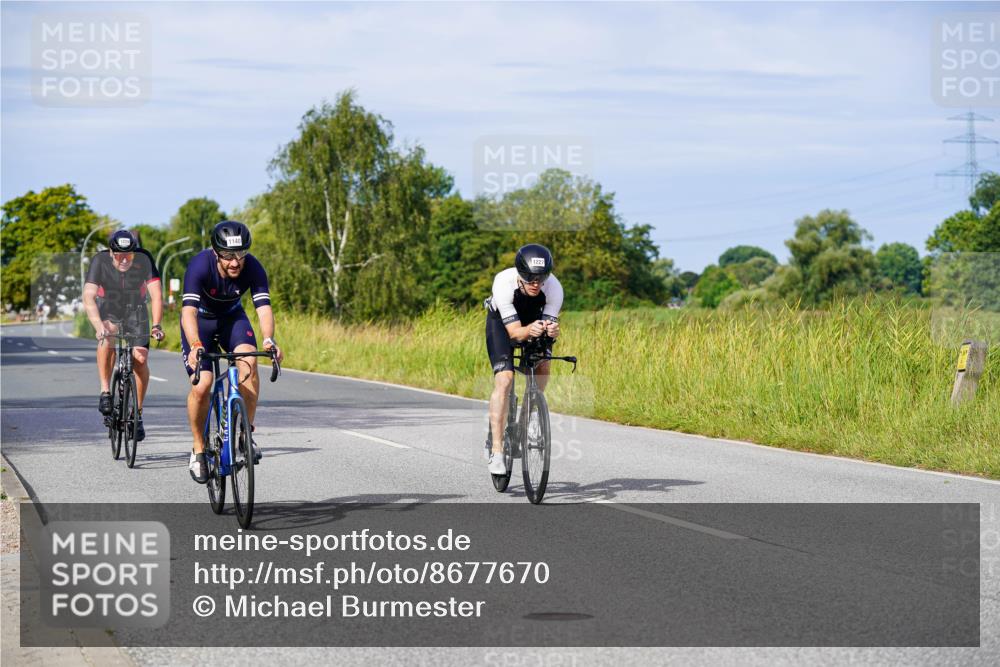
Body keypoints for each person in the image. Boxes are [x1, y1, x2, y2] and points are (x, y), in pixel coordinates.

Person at [180, 220, 283, 483]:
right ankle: (198, 449)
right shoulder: (199, 265)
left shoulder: (254, 268)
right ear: (216, 253)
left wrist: (269, 339)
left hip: (231, 318)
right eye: (227, 256)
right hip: (200, 323)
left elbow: (263, 308)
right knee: (203, 384)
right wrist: (195, 345)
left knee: (249, 361)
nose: (235, 262)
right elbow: (188, 312)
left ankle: (244, 435)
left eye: (240, 255)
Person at [483, 244, 563, 474]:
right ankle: (497, 452)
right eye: (529, 279)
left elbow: (548, 325)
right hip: (502, 324)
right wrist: (531, 331)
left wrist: (552, 331)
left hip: (532, 321)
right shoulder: (503, 283)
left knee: (543, 364)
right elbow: (515, 334)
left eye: (541, 278)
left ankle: (530, 415)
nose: (536, 284)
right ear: (519, 274)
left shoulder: (555, 288)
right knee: (505, 379)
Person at [82, 229, 165, 440]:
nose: (124, 259)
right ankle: (105, 392)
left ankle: (137, 413)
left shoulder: (144, 259)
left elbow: (156, 295)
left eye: (129, 254)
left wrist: (156, 325)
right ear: (111, 252)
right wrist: (97, 325)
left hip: (136, 309)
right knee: (107, 334)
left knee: (140, 358)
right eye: (119, 254)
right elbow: (88, 296)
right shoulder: (99, 260)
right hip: (109, 307)